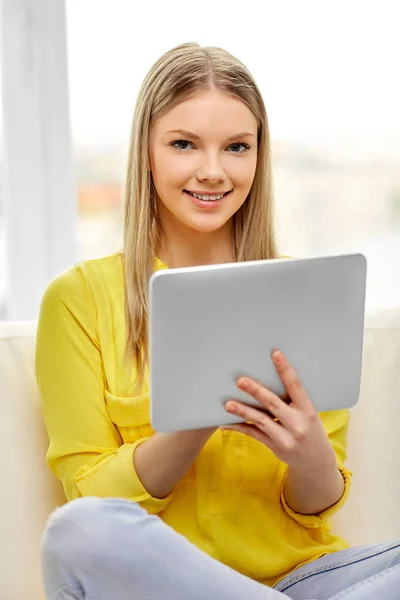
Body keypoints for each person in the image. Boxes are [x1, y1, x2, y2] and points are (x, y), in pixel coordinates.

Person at [35, 42, 399, 600]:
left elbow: (315, 508)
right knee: (77, 532)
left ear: (259, 156)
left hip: (302, 582)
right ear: (147, 154)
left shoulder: (307, 292)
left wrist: (309, 456)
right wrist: (199, 415)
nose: (213, 171)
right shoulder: (78, 300)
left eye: (236, 147)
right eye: (184, 144)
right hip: (160, 586)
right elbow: (91, 499)